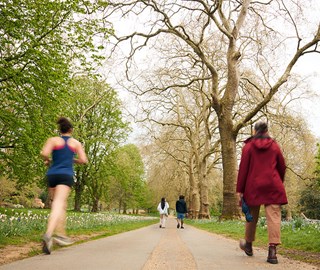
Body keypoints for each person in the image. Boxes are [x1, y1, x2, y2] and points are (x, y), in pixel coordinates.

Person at [236, 121, 287, 264]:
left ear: (255, 131)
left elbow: (243, 169)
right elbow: (282, 167)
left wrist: (240, 189)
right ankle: (272, 252)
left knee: (251, 216)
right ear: (267, 131)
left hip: (253, 187)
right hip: (273, 185)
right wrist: (278, 181)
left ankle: (249, 245)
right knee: (274, 217)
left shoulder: (248, 147)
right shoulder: (275, 146)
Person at [40, 117, 88, 254]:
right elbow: (84, 160)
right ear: (71, 130)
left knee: (60, 205)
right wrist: (72, 159)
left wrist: (48, 160)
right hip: (65, 175)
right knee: (59, 205)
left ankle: (61, 235)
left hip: (52, 174)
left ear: (60, 130)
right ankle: (49, 234)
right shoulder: (75, 143)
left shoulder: (53, 140)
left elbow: (44, 153)